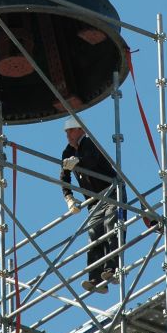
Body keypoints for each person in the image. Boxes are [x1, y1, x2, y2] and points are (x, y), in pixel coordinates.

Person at [60, 117, 119, 293]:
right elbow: (64, 177)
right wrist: (69, 198)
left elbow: (92, 161)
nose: (69, 135)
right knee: (93, 235)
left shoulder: (90, 144)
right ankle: (95, 278)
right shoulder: (67, 152)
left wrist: (78, 162)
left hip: (112, 193)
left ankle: (113, 269)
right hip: (94, 201)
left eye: (72, 130)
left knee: (111, 225)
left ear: (81, 131)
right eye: (67, 132)